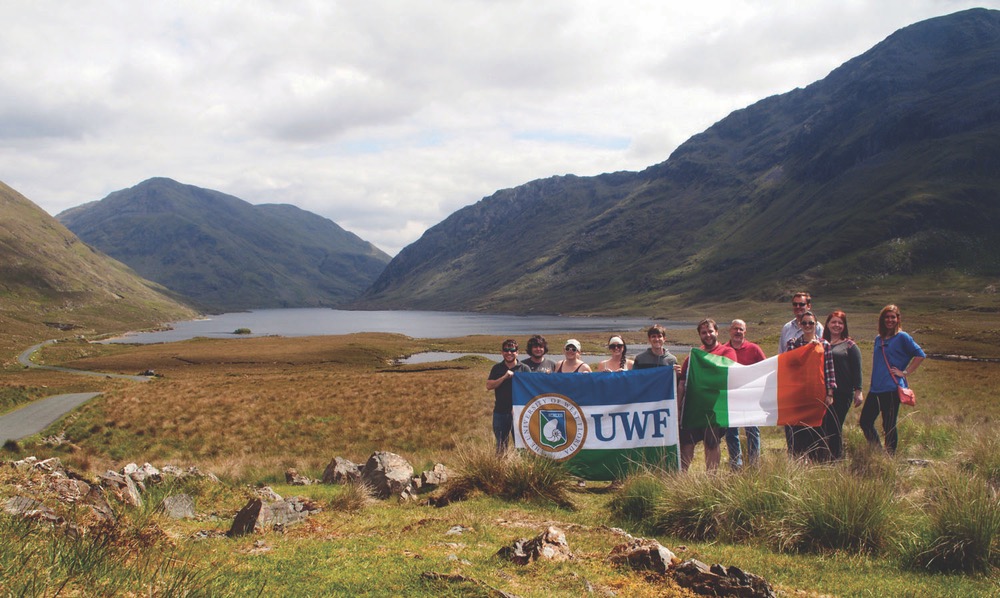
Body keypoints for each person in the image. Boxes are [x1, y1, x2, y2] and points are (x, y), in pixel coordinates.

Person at [859, 304, 925, 455]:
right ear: (882, 319)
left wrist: (905, 372)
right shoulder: (878, 339)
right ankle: (878, 451)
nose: (889, 320)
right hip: (876, 388)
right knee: (865, 421)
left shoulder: (903, 337)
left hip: (892, 389)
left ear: (898, 319)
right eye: (886, 317)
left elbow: (920, 354)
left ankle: (890, 458)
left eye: (893, 317)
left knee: (889, 425)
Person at [677, 319, 738, 471]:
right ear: (700, 335)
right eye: (704, 333)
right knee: (687, 443)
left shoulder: (727, 352)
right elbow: (682, 383)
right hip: (693, 408)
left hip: (714, 409)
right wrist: (678, 407)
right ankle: (681, 479)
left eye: (710, 331)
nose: (708, 335)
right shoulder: (693, 356)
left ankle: (711, 480)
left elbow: (728, 374)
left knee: (712, 443)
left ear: (716, 332)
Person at [785, 311, 836, 461]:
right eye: (804, 323)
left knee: (818, 430)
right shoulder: (793, 344)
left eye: (811, 323)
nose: (808, 326)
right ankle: (799, 461)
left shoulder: (824, 345)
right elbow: (789, 367)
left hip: (818, 395)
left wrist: (830, 393)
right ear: (800, 325)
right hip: (799, 396)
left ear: (816, 325)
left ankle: (819, 462)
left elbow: (829, 370)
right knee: (799, 430)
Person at [779, 292, 824, 452]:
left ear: (808, 306)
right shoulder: (787, 329)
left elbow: (823, 356)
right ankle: (794, 457)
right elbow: (782, 357)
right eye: (795, 304)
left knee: (811, 425)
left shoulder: (818, 327)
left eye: (801, 304)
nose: (798, 307)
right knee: (792, 424)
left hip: (812, 387)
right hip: (793, 387)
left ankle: (813, 457)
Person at [724, 319, 767, 469]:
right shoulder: (723, 350)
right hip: (731, 398)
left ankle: (754, 464)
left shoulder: (754, 349)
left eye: (741, 329)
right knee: (731, 433)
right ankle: (736, 463)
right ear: (730, 331)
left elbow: (766, 367)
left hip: (750, 398)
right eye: (735, 329)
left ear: (745, 332)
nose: (738, 332)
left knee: (752, 431)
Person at [822, 310, 864, 460]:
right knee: (824, 426)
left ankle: (836, 459)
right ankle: (825, 456)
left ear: (844, 326)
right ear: (827, 324)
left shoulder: (850, 345)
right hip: (825, 393)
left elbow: (857, 369)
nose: (837, 325)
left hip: (843, 393)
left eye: (840, 323)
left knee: (835, 425)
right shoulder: (822, 343)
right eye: (833, 322)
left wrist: (858, 391)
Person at [486, 339, 530, 453]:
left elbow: (530, 390)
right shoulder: (497, 368)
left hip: (520, 413)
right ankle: (500, 468)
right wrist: (504, 377)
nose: (509, 353)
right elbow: (489, 385)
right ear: (502, 352)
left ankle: (520, 469)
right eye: (506, 350)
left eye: (512, 350)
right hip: (500, 412)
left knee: (521, 445)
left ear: (517, 352)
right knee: (501, 445)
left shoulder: (524, 368)